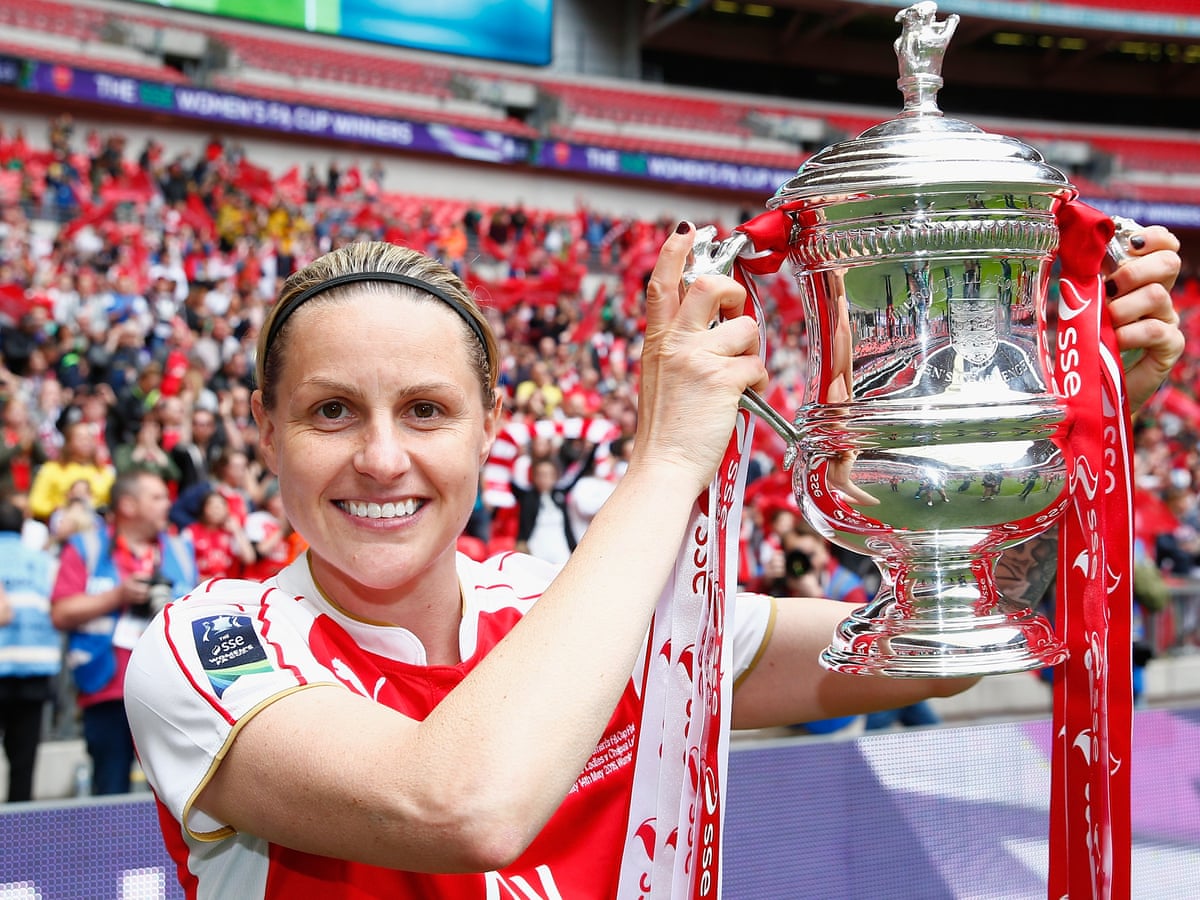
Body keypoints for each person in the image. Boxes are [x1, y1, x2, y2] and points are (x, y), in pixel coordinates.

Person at [123, 225, 1182, 895]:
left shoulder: (566, 601)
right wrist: (666, 459)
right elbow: (462, 808)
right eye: (330, 412)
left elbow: (938, 646)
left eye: (428, 410)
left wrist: (1087, 427)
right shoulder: (203, 652)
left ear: (491, 427)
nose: (383, 457)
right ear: (263, 429)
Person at [51, 469, 197, 795]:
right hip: (106, 691)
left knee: (175, 800)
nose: (167, 504)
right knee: (110, 796)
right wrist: (117, 596)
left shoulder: (178, 549)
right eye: (157, 497)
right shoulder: (86, 546)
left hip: (170, 695)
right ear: (128, 505)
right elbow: (60, 613)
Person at [0, 501, 60, 802]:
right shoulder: (42, 561)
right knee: (23, 762)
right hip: (35, 669)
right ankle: (15, 835)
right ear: (23, 528)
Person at [26, 418, 115, 523]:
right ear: (69, 442)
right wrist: (62, 508)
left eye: (89, 438)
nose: (85, 442)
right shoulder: (51, 469)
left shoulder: (104, 472)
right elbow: (36, 503)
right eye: (80, 438)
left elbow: (112, 503)